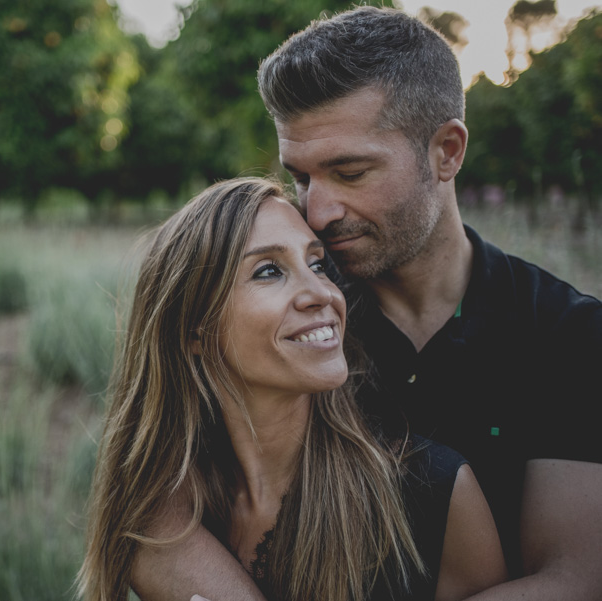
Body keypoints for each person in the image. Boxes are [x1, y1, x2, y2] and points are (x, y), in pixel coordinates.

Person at [132, 6, 602, 601]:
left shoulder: (568, 335)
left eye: (349, 172)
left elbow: (577, 579)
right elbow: (153, 491)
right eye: (300, 178)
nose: (319, 211)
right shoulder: (299, 321)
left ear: (447, 152)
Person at [78, 177, 506, 601]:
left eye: (318, 265)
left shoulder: (433, 492)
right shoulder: (165, 514)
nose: (321, 293)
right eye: (269, 271)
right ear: (196, 331)